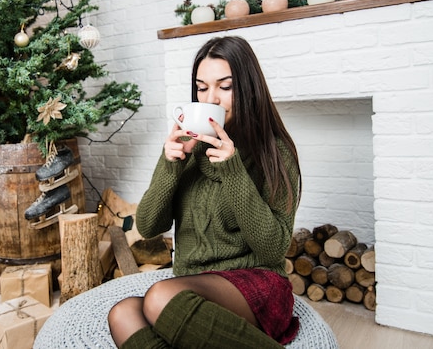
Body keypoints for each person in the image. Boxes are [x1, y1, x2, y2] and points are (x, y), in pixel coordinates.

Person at [107, 36, 302, 348]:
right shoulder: (189, 149)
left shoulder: (274, 152)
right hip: (191, 286)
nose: (211, 98)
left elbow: (273, 250)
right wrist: (170, 162)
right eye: (202, 87)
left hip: (256, 286)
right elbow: (147, 226)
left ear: (248, 89)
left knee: (159, 298)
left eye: (225, 87)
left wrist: (233, 170)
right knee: (123, 313)